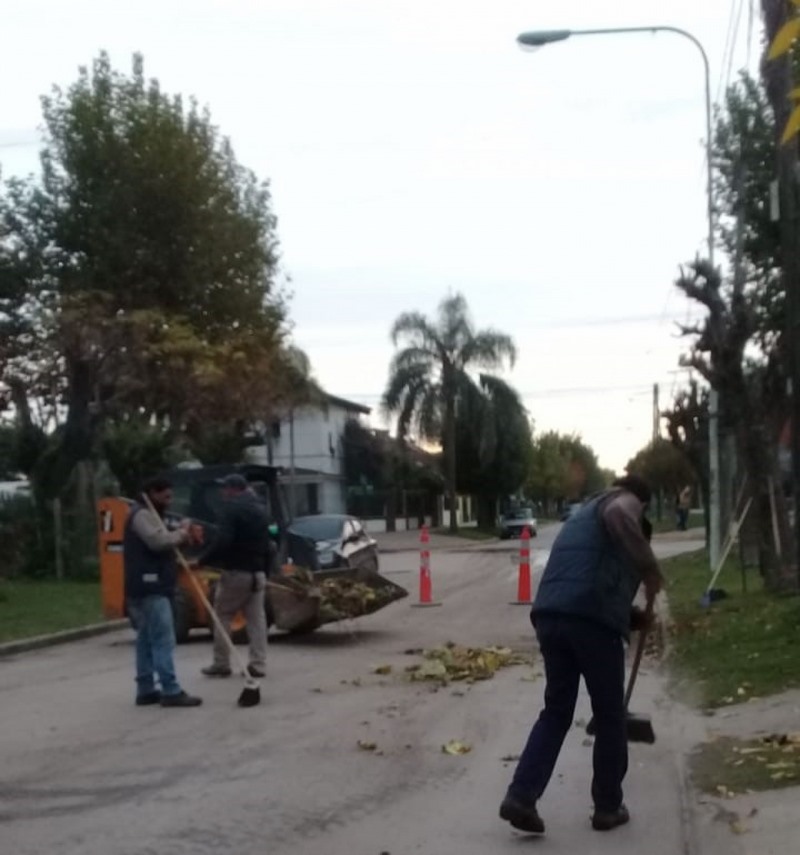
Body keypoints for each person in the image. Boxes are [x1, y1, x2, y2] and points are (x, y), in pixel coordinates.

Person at [499, 474, 663, 836]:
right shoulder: (623, 503)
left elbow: (592, 579)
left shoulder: (584, 516)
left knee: (556, 710)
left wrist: (637, 618)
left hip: (550, 615)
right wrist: (652, 571)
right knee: (609, 714)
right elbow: (622, 516)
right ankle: (607, 806)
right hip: (589, 619)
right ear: (643, 500)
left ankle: (521, 796)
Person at [124, 476, 203, 708]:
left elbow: (166, 540)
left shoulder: (152, 515)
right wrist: (181, 533)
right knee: (163, 639)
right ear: (152, 493)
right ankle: (170, 689)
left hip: (150, 585)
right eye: (165, 496)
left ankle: (146, 688)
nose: (169, 501)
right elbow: (158, 542)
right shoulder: (141, 514)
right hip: (150, 587)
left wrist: (184, 536)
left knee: (147, 639)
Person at [197, 474, 272, 679]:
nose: (222, 493)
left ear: (233, 489)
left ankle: (221, 663)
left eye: (225, 488)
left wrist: (202, 560)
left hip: (237, 572)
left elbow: (224, 541)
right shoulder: (261, 509)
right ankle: (258, 664)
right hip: (258, 573)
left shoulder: (232, 509)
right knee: (256, 620)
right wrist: (266, 571)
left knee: (222, 615)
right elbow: (268, 544)